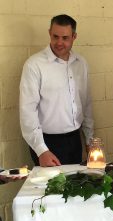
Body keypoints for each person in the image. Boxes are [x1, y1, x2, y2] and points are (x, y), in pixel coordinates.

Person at [20, 14, 94, 167]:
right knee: (50, 189)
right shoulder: (34, 65)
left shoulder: (81, 63)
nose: (59, 42)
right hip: (46, 142)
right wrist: (41, 150)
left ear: (74, 36)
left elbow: (86, 104)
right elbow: (27, 111)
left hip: (75, 139)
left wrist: (89, 140)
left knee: (76, 188)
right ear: (49, 33)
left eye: (65, 38)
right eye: (55, 36)